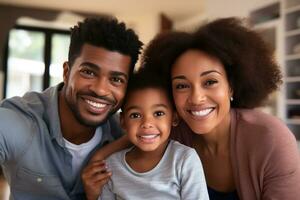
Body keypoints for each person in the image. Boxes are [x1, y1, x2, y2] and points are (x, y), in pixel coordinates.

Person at [140, 17, 300, 199]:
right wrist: (101, 156)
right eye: (182, 85)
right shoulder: (173, 134)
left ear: (231, 86)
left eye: (210, 82)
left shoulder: (270, 138)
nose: (196, 98)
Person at [0, 16, 142, 200]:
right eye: (88, 72)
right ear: (67, 72)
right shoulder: (21, 121)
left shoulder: (124, 137)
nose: (100, 90)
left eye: (116, 80)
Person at [98, 70, 209, 200]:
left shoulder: (184, 159)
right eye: (135, 115)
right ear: (123, 121)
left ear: (174, 118)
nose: (147, 124)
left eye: (158, 113)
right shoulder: (111, 166)